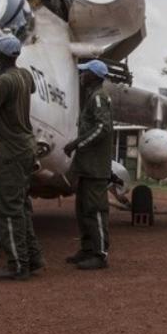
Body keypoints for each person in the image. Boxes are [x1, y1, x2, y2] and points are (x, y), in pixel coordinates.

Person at [0, 34, 44, 281]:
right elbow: (27, 87)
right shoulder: (24, 75)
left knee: (8, 209)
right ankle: (33, 257)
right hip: (27, 148)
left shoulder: (3, 83)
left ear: (0, 54)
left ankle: (17, 264)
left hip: (12, 151)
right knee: (22, 206)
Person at [62, 59, 114, 271]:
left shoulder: (99, 97)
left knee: (95, 210)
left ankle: (100, 255)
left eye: (85, 73)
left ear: (94, 76)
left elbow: (103, 128)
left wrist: (77, 143)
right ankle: (87, 249)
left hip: (95, 168)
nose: (82, 76)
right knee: (83, 210)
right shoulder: (92, 97)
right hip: (87, 166)